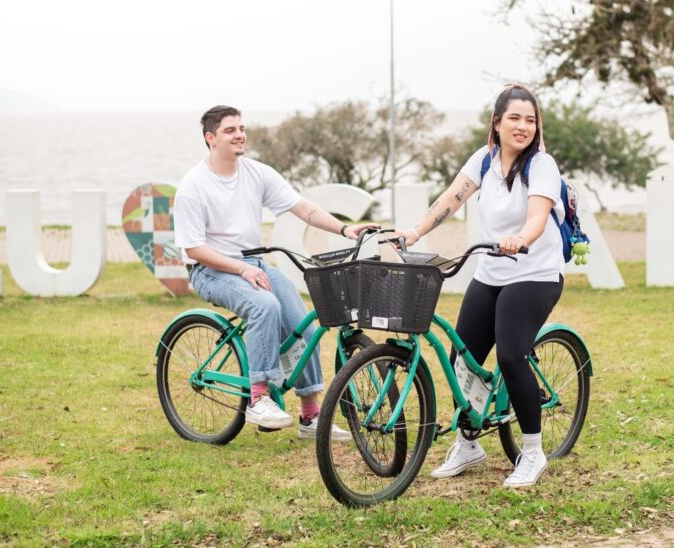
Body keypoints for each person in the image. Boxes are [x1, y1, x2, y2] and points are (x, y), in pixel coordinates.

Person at [394, 84, 564, 487]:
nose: (523, 126)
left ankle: (533, 452)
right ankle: (469, 443)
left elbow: (538, 216)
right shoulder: (484, 160)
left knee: (510, 355)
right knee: (461, 357)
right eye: (514, 118)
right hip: (491, 271)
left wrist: (521, 238)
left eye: (530, 119)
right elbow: (451, 199)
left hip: (534, 271)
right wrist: (416, 232)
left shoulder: (542, 165)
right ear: (497, 122)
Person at [174, 105, 378, 439]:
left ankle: (310, 417)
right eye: (230, 130)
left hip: (253, 264)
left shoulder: (256, 173)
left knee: (305, 326)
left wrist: (346, 230)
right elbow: (194, 249)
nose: (240, 134)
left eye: (241, 128)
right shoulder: (194, 185)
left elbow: (302, 207)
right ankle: (259, 398)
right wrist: (240, 268)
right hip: (210, 269)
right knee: (264, 306)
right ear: (211, 138)